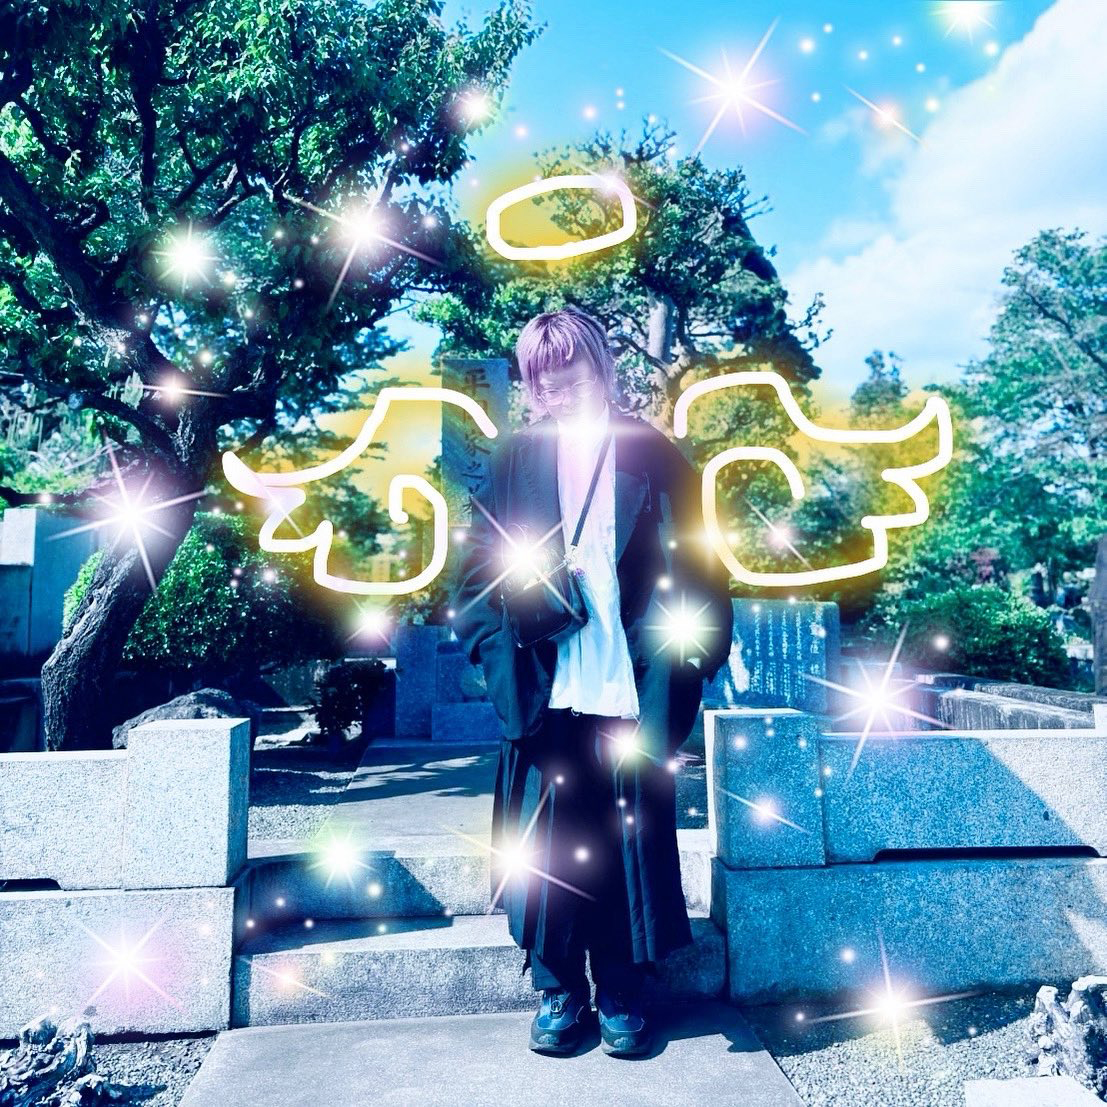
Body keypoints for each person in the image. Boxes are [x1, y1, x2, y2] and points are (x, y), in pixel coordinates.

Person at [449, 305, 733, 1057]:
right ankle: (558, 988)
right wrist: (495, 659)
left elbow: (704, 561)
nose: (555, 390)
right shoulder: (516, 458)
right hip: (545, 676)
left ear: (600, 366)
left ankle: (621, 985)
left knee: (623, 832)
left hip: (633, 673)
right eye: (541, 380)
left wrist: (694, 656)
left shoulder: (655, 454)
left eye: (568, 373)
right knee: (546, 837)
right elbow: (475, 572)